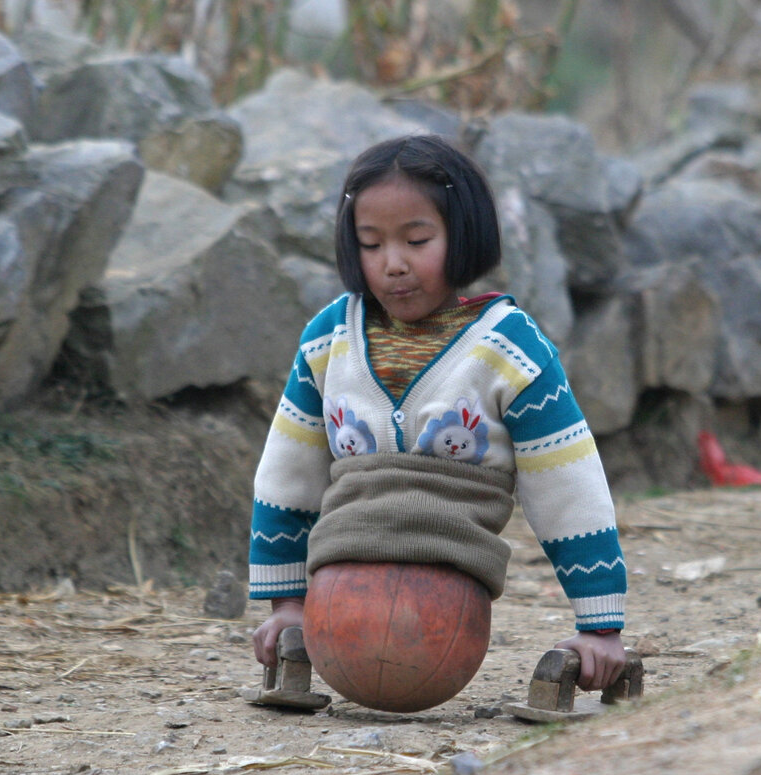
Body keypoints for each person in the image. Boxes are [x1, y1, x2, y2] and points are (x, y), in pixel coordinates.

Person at [248, 134, 627, 693]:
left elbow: (568, 484)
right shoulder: (328, 340)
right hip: (337, 596)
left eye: (417, 239)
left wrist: (600, 626)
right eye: (370, 244)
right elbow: (287, 472)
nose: (393, 265)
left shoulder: (509, 352)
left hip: (447, 612)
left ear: (464, 232)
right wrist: (286, 605)